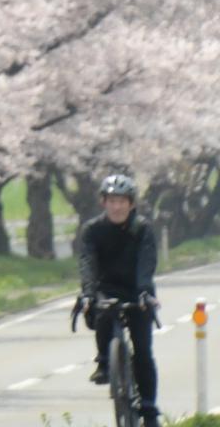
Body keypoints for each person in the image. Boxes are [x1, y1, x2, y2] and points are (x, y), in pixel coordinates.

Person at [76, 171, 160, 426]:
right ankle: (104, 361)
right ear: (103, 202)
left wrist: (145, 291)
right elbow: (87, 261)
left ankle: (148, 408)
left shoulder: (142, 228)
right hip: (106, 288)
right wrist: (89, 292)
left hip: (137, 289)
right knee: (103, 310)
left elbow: (147, 260)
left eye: (122, 201)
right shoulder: (92, 230)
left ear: (131, 203)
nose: (116, 206)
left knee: (143, 353)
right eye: (111, 200)